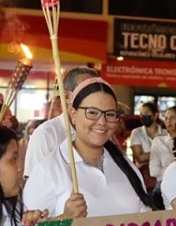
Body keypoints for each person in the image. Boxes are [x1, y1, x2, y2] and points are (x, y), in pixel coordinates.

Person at [23, 78, 153, 218]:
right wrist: (64, 218)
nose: (102, 122)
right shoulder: (48, 170)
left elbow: (146, 224)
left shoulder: (126, 167)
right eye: (92, 112)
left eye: (109, 114)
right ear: (73, 115)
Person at [23, 67, 99, 180]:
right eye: (86, 92)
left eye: (96, 92)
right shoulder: (46, 134)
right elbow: (33, 182)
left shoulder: (99, 132)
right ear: (67, 96)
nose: (94, 98)